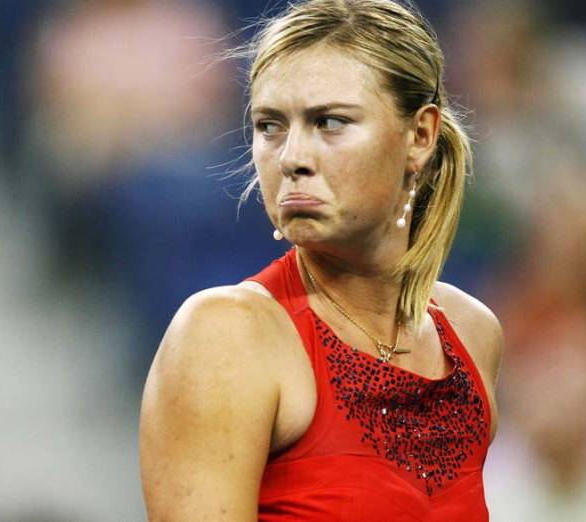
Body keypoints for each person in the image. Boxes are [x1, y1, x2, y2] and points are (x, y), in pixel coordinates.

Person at [139, 1, 503, 520]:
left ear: (419, 136)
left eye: (329, 122)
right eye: (270, 126)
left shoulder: (473, 334)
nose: (291, 158)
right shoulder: (226, 335)